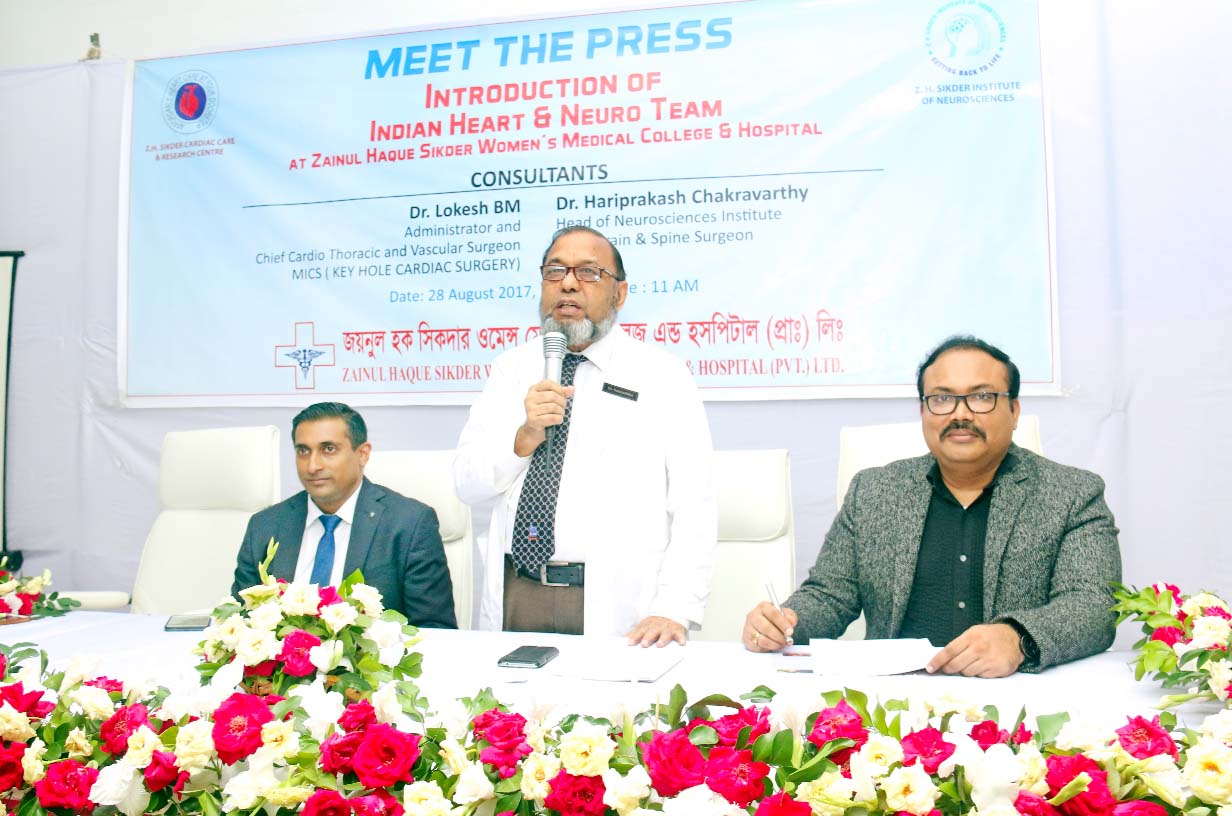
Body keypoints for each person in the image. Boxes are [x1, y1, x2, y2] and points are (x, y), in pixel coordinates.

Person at [744, 336, 1122, 676]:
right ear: (923, 411)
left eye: (981, 396)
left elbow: (1093, 607)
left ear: (1015, 411)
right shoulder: (875, 491)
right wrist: (786, 620)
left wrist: (1018, 638)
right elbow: (829, 595)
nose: (960, 414)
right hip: (893, 703)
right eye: (941, 398)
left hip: (1014, 701)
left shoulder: (1072, 493)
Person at [454, 225, 715, 646]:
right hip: (516, 589)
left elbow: (694, 503)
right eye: (555, 271)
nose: (569, 283)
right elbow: (467, 484)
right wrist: (522, 439)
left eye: (589, 273)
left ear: (620, 293)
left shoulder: (662, 375)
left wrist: (675, 606)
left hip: (615, 604)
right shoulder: (511, 369)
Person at [231, 402, 456, 628]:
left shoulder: (409, 524)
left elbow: (435, 631)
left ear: (362, 454)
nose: (312, 466)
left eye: (328, 449)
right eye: (303, 451)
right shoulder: (265, 526)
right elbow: (239, 620)